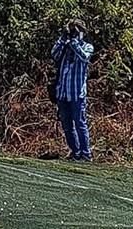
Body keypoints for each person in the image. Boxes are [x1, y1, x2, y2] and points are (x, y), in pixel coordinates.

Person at [50, 20, 94, 161]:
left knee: (80, 123)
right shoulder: (65, 48)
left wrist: (75, 41)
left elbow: (84, 57)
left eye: (76, 31)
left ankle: (85, 154)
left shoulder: (87, 47)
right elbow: (54, 54)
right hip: (63, 93)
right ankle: (75, 152)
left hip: (76, 93)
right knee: (67, 125)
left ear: (82, 32)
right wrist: (63, 37)